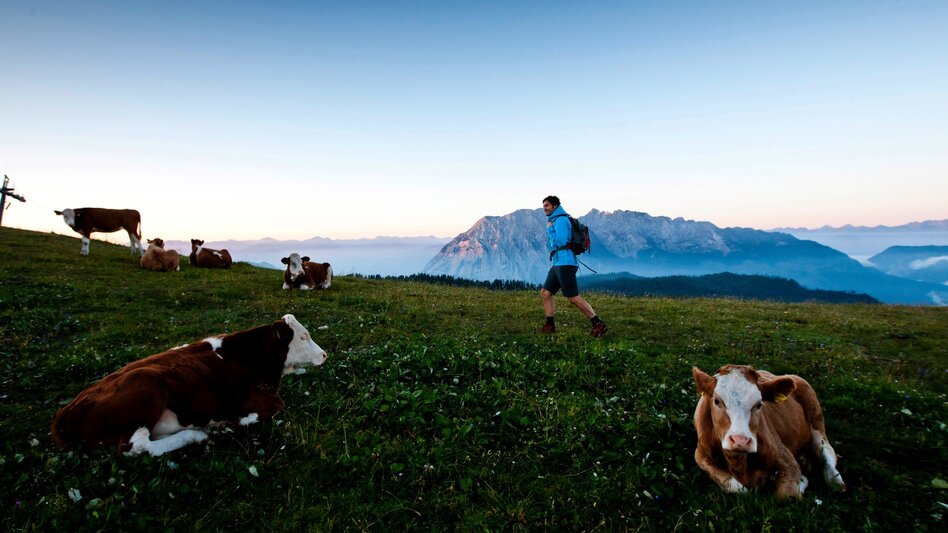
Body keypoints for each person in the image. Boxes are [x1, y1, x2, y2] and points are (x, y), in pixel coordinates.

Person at [540, 195, 608, 337]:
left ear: (555, 206)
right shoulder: (556, 220)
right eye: (544, 205)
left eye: (547, 205)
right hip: (558, 263)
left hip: (565, 264)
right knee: (546, 293)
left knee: (573, 298)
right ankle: (550, 325)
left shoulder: (561, 220)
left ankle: (598, 323)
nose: (544, 208)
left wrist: (550, 230)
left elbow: (562, 241)